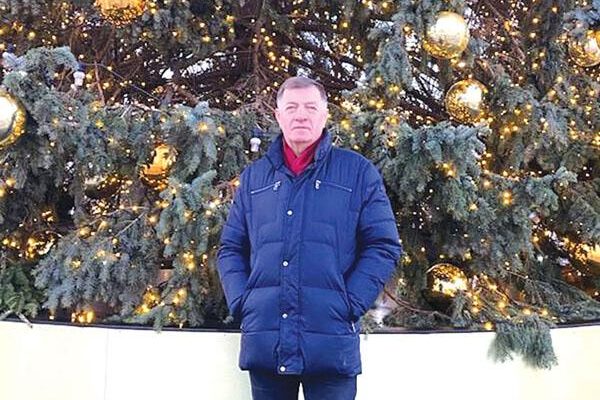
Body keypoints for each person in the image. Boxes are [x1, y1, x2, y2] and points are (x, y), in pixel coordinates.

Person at [217, 76, 403, 400]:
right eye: (291, 107)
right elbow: (231, 247)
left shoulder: (357, 172)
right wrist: (243, 303)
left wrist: (350, 303)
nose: (301, 115)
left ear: (324, 114)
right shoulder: (255, 178)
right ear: (278, 116)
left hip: (331, 340)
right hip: (267, 341)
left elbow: (383, 245)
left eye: (310, 107)